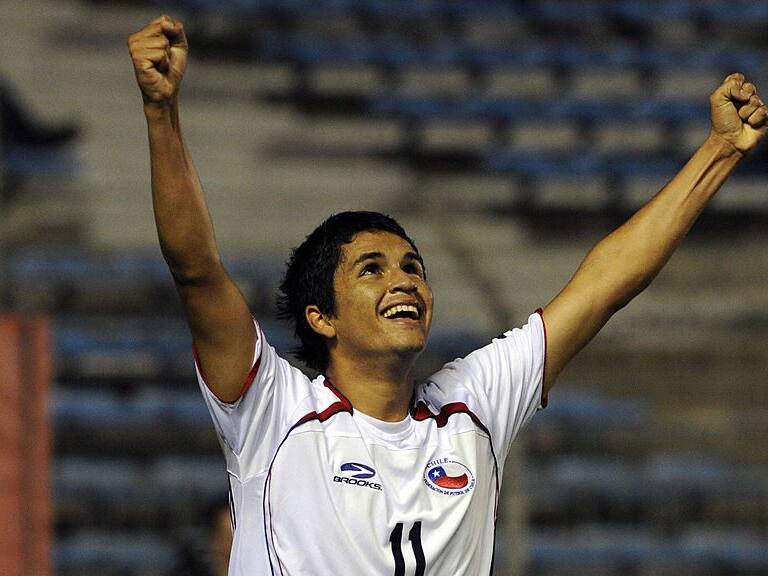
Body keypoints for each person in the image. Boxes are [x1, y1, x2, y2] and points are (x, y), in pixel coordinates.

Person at [128, 15, 767, 576]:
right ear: (320, 316)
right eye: (371, 270)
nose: (405, 279)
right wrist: (161, 113)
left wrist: (717, 152)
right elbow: (196, 269)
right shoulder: (271, 410)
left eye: (413, 266)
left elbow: (603, 286)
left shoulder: (473, 406)